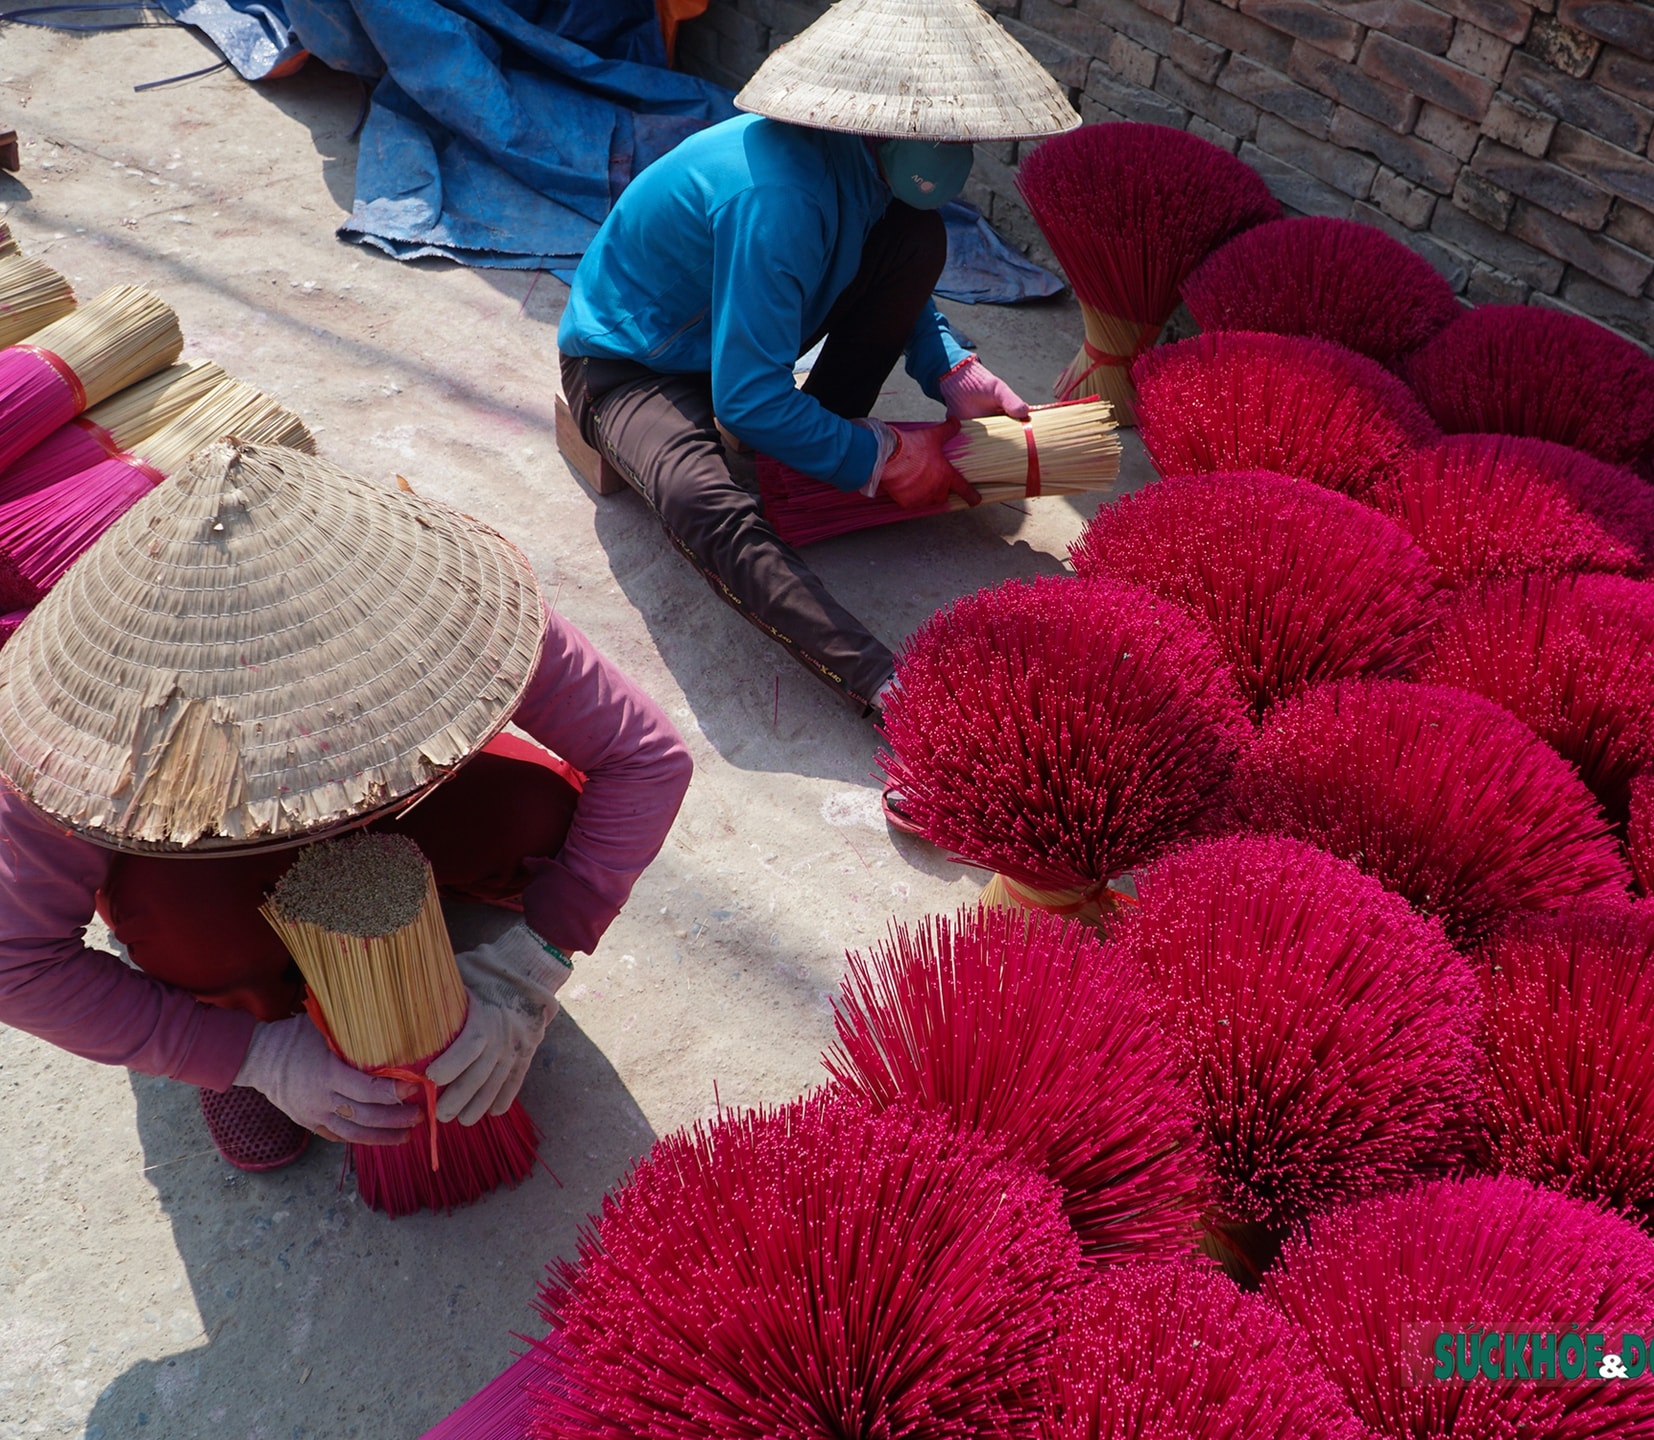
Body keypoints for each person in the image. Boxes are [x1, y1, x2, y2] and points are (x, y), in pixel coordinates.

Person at [0, 441, 692, 1173]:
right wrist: (249, 1054)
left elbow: (646, 759)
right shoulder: (76, 723)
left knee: (539, 815)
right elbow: (17, 963)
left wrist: (536, 960)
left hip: (400, 792)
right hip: (195, 851)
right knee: (190, 929)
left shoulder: (444, 589)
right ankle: (245, 1001)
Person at [558, 0, 1079, 718]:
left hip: (735, 342)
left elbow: (889, 277)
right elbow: (744, 399)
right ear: (873, 118)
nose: (950, 147)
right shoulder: (776, 198)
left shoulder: (861, 171)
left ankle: (810, 450)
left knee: (916, 239)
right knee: (702, 502)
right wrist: (883, 456)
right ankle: (886, 689)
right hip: (634, 365)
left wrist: (950, 366)